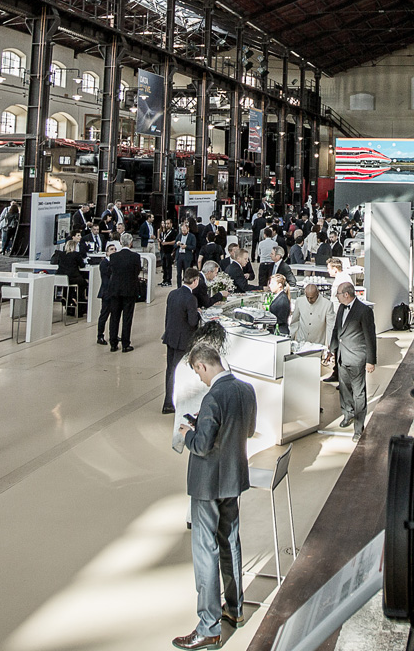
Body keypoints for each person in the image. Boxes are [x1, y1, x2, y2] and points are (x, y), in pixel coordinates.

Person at [173, 343, 255, 649]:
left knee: (205, 550)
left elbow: (203, 445)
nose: (200, 379)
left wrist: (187, 433)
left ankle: (208, 626)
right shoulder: (246, 390)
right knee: (230, 541)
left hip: (207, 484)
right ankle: (234, 608)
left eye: (198, 372)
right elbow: (248, 430)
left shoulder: (212, 397)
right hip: (233, 478)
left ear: (203, 366)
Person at [327, 281, 378, 438]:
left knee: (358, 392)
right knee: (344, 388)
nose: (337, 297)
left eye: (338, 294)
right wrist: (331, 350)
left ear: (346, 294)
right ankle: (347, 414)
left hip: (357, 357)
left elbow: (370, 336)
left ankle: (358, 427)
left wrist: (371, 360)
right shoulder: (341, 308)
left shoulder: (364, 311)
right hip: (342, 356)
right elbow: (337, 330)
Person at [162, 268, 204, 413]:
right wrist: (198, 314)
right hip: (183, 339)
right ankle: (177, 401)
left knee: (170, 369)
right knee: (179, 370)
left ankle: (168, 401)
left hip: (170, 336)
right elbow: (192, 322)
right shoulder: (191, 298)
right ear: (195, 280)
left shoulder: (173, 294)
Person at [98, 234, 144, 352]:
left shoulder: (114, 257)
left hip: (115, 290)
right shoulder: (135, 256)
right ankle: (125, 344)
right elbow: (137, 271)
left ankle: (113, 343)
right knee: (127, 318)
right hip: (129, 290)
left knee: (114, 317)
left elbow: (111, 271)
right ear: (131, 242)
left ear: (120, 242)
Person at [52, 232, 88, 317]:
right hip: (73, 278)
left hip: (62, 279)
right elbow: (82, 265)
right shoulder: (76, 254)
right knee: (83, 284)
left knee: (68, 288)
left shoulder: (61, 255)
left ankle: (69, 305)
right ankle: (80, 305)